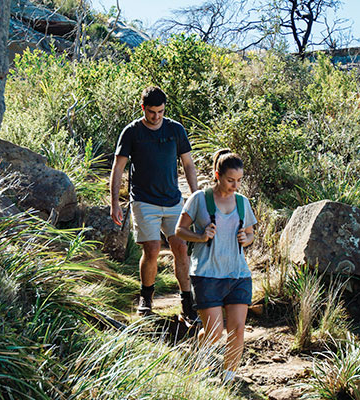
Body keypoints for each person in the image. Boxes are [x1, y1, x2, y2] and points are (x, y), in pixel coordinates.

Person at [110, 86, 198, 321]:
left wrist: (196, 196)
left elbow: (188, 164)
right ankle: (146, 298)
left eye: (160, 112)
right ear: (143, 109)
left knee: (180, 247)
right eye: (151, 112)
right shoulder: (131, 132)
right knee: (152, 250)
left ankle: (187, 301)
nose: (156, 116)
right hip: (143, 200)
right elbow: (118, 168)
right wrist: (114, 202)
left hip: (172, 200)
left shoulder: (175, 130)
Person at [175, 149, 257, 383]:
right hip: (207, 274)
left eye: (239, 180)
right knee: (213, 333)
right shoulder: (199, 199)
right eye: (231, 180)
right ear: (217, 174)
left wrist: (246, 239)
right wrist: (200, 236)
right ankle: (196, 361)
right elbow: (179, 231)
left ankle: (229, 378)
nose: (235, 185)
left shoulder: (243, 202)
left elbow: (251, 235)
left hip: (238, 274)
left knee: (238, 329)